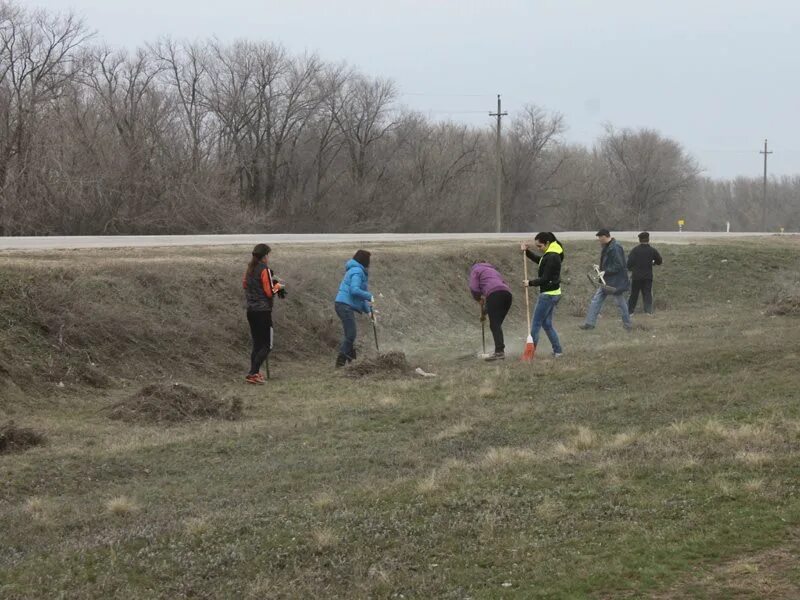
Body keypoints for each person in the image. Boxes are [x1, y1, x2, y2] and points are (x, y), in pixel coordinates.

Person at [242, 244, 285, 384]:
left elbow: (245, 285)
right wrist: (278, 286)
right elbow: (269, 292)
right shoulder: (264, 270)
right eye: (268, 255)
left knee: (257, 344)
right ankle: (253, 373)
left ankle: (255, 372)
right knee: (267, 345)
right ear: (265, 256)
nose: (268, 258)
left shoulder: (249, 269)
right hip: (263, 312)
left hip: (251, 311)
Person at [521, 232, 564, 357]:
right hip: (553, 293)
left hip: (548, 295)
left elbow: (545, 278)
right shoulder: (551, 254)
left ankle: (529, 353)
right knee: (547, 324)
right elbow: (541, 261)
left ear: (547, 243)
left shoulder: (552, 256)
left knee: (536, 324)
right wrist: (527, 252)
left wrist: (530, 283)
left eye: (539, 246)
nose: (539, 249)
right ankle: (558, 351)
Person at [580, 228, 631, 330]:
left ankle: (627, 324)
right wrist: (600, 268)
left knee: (620, 302)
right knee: (596, 300)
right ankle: (589, 324)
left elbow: (619, 265)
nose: (599, 239)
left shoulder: (615, 247)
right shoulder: (607, 247)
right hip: (606, 281)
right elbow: (609, 263)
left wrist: (605, 271)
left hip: (615, 281)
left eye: (599, 237)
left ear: (604, 236)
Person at [334, 249, 374, 368]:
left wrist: (369, 311)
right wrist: (370, 296)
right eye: (368, 260)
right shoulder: (357, 271)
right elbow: (355, 290)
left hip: (343, 304)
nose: (369, 263)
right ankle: (340, 363)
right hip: (344, 305)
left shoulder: (356, 270)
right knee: (351, 335)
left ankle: (353, 361)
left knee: (349, 335)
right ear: (364, 260)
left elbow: (359, 299)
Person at [469, 261, 513, 360]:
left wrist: (478, 298)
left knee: (495, 324)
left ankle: (499, 352)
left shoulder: (476, 269)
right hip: (507, 295)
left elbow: (473, 287)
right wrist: (484, 312)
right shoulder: (493, 270)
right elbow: (500, 286)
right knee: (496, 324)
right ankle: (499, 349)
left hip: (494, 295)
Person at [627, 231, 663, 314]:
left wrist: (633, 269)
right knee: (647, 294)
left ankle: (630, 312)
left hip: (636, 276)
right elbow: (659, 261)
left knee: (634, 294)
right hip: (648, 276)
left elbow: (629, 264)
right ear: (648, 239)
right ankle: (648, 311)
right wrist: (653, 263)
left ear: (639, 240)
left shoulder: (635, 250)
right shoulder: (652, 250)